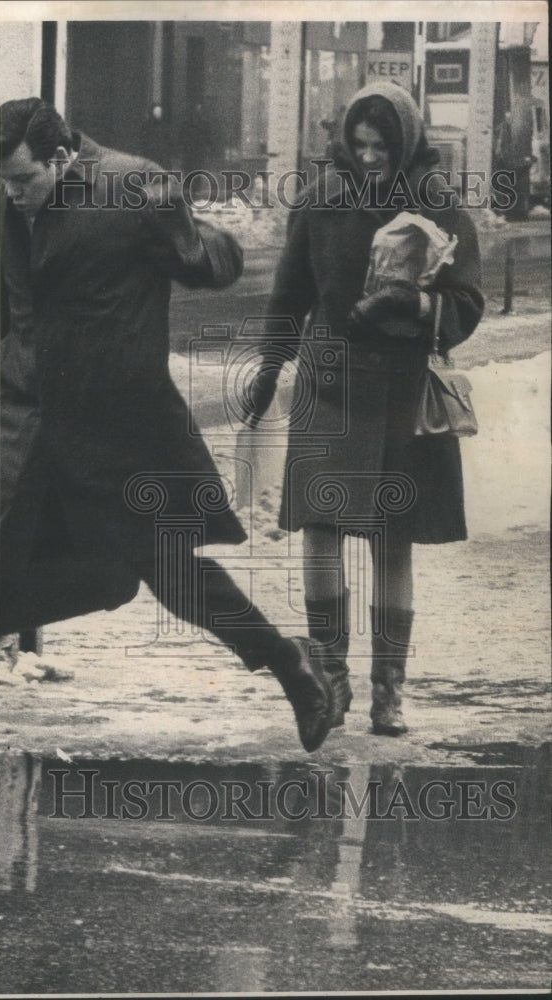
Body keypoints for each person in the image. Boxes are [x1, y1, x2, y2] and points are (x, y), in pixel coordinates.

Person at [0, 97, 335, 769]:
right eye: (5, 182)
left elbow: (209, 265)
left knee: (169, 573)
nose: (14, 195)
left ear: (62, 157)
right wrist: (9, 363)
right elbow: (9, 295)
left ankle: (287, 663)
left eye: (25, 180)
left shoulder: (134, 188)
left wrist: (202, 231)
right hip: (28, 409)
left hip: (114, 423)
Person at [242, 82, 484, 736]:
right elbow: (289, 295)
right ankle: (330, 680)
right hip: (330, 383)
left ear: (405, 142)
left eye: (382, 146)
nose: (370, 156)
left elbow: (467, 303)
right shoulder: (323, 200)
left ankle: (389, 693)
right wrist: (268, 368)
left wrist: (422, 307)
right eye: (360, 144)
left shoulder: (439, 203)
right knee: (320, 531)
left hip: (403, 389)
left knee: (392, 539)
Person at [140, 102, 174, 169]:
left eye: (159, 111)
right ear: (152, 112)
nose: (158, 113)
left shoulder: (165, 126)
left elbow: (169, 140)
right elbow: (143, 140)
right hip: (151, 155)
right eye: (156, 111)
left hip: (163, 156)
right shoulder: (147, 125)